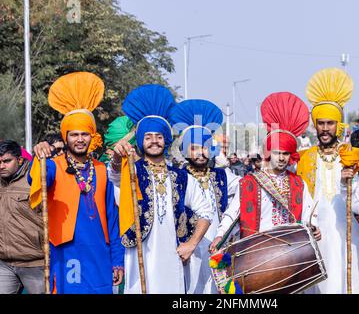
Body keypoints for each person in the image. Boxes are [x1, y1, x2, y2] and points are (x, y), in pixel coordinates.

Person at [110, 84, 213, 294]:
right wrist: (116, 158)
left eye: (158, 136)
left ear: (166, 140)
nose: (154, 141)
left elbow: (206, 211)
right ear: (140, 141)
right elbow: (115, 176)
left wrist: (192, 244)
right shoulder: (132, 172)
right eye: (148, 137)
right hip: (137, 259)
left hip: (172, 260)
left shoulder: (181, 177)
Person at [29, 72, 124, 294]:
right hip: (66, 251)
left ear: (92, 136)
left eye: (84, 134)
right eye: (73, 135)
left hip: (100, 253)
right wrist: (39, 157)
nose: (79, 139)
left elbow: (112, 218)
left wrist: (117, 259)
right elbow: (37, 180)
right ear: (65, 137)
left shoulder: (101, 169)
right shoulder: (53, 165)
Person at [210, 92, 320, 258]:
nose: (282, 158)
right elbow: (233, 213)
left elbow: (309, 211)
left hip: (291, 255)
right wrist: (221, 234)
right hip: (257, 255)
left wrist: (314, 226)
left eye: (286, 153)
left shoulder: (298, 183)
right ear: (268, 153)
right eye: (277, 153)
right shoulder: (250, 182)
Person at [297, 68, 359, 294]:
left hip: (347, 233)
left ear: (339, 125)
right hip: (316, 235)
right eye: (321, 123)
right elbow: (301, 201)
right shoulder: (306, 158)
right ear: (315, 125)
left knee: (350, 283)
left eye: (330, 123)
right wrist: (308, 224)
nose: (325, 128)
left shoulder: (352, 155)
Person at [169, 99, 240, 294]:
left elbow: (246, 188)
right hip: (188, 250)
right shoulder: (176, 177)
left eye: (205, 146)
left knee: (222, 290)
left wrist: (229, 226)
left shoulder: (223, 176)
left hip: (218, 248)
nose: (201, 152)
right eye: (194, 147)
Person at [0, 140, 44, 294]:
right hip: (4, 263)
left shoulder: (36, 178)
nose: (1, 166)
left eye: (7, 161)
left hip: (35, 262)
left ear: (19, 159)